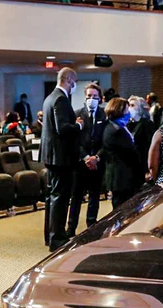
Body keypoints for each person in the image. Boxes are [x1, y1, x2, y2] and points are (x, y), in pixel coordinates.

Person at [40, 67, 83, 251]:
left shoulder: (50, 97)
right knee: (60, 197)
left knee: (52, 197)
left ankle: (49, 235)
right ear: (69, 80)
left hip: (51, 155)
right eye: (75, 82)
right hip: (60, 158)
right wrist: (78, 125)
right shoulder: (60, 99)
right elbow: (63, 128)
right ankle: (57, 237)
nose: (75, 85)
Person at [67, 83, 106, 238]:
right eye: (89, 96)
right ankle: (71, 228)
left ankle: (91, 226)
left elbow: (107, 140)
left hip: (97, 162)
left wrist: (96, 157)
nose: (91, 99)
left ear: (100, 98)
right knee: (76, 197)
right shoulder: (77, 114)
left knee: (94, 196)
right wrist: (85, 158)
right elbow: (74, 140)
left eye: (95, 97)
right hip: (80, 163)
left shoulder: (105, 115)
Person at [103, 97, 144, 209]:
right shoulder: (117, 130)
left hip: (121, 177)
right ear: (119, 110)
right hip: (122, 177)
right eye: (127, 109)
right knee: (123, 209)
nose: (129, 112)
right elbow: (130, 152)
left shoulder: (116, 126)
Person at [127, 95, 156, 174]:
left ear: (140, 108)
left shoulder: (148, 125)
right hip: (130, 164)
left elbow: (150, 146)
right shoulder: (128, 124)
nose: (129, 108)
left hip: (142, 164)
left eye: (132, 105)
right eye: (128, 105)